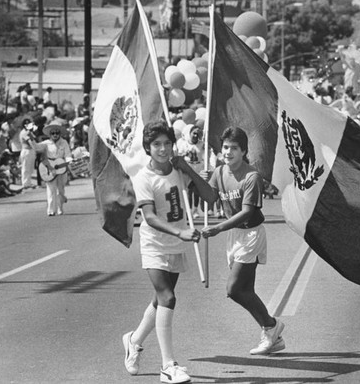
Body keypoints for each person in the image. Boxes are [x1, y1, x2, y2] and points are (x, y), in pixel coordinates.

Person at [122, 121, 216, 382]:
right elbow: (150, 217)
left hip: (176, 244)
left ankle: (134, 340)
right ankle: (168, 365)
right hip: (155, 244)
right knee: (168, 297)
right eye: (156, 145)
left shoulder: (178, 170)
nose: (162, 149)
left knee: (159, 301)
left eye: (166, 143)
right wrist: (180, 232)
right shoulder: (143, 178)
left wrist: (189, 170)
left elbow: (210, 197)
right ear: (148, 148)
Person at [201, 126, 286, 356]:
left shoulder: (252, 177)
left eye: (234, 148)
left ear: (244, 151)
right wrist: (202, 182)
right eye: (225, 147)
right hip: (234, 235)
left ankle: (271, 325)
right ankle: (273, 336)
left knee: (235, 289)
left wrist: (218, 227)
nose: (228, 152)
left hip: (251, 234)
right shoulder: (219, 173)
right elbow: (206, 204)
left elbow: (248, 212)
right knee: (246, 289)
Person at [31, 119, 72, 216]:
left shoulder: (64, 142)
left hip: (61, 168)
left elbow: (68, 154)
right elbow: (36, 147)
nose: (55, 135)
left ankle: (59, 208)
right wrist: (31, 138)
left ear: (60, 133)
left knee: (60, 190)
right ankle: (51, 210)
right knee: (50, 190)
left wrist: (69, 162)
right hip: (49, 168)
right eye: (53, 133)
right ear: (50, 134)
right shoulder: (46, 143)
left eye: (57, 132)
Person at [18, 117, 37, 189]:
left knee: (30, 168)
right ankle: (25, 183)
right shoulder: (24, 132)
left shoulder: (29, 132)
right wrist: (36, 149)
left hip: (31, 151)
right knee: (25, 168)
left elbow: (34, 140)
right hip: (26, 151)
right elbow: (30, 142)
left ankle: (28, 182)